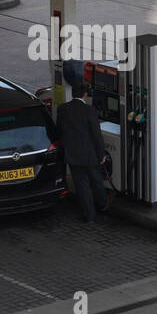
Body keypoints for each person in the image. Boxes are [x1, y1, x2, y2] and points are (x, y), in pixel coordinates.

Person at [56, 83, 108, 223]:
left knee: (82, 185)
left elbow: (59, 131)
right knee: (97, 181)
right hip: (90, 154)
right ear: (85, 95)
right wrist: (101, 153)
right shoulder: (89, 110)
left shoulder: (62, 109)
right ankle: (102, 205)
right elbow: (96, 135)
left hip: (73, 155)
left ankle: (89, 215)